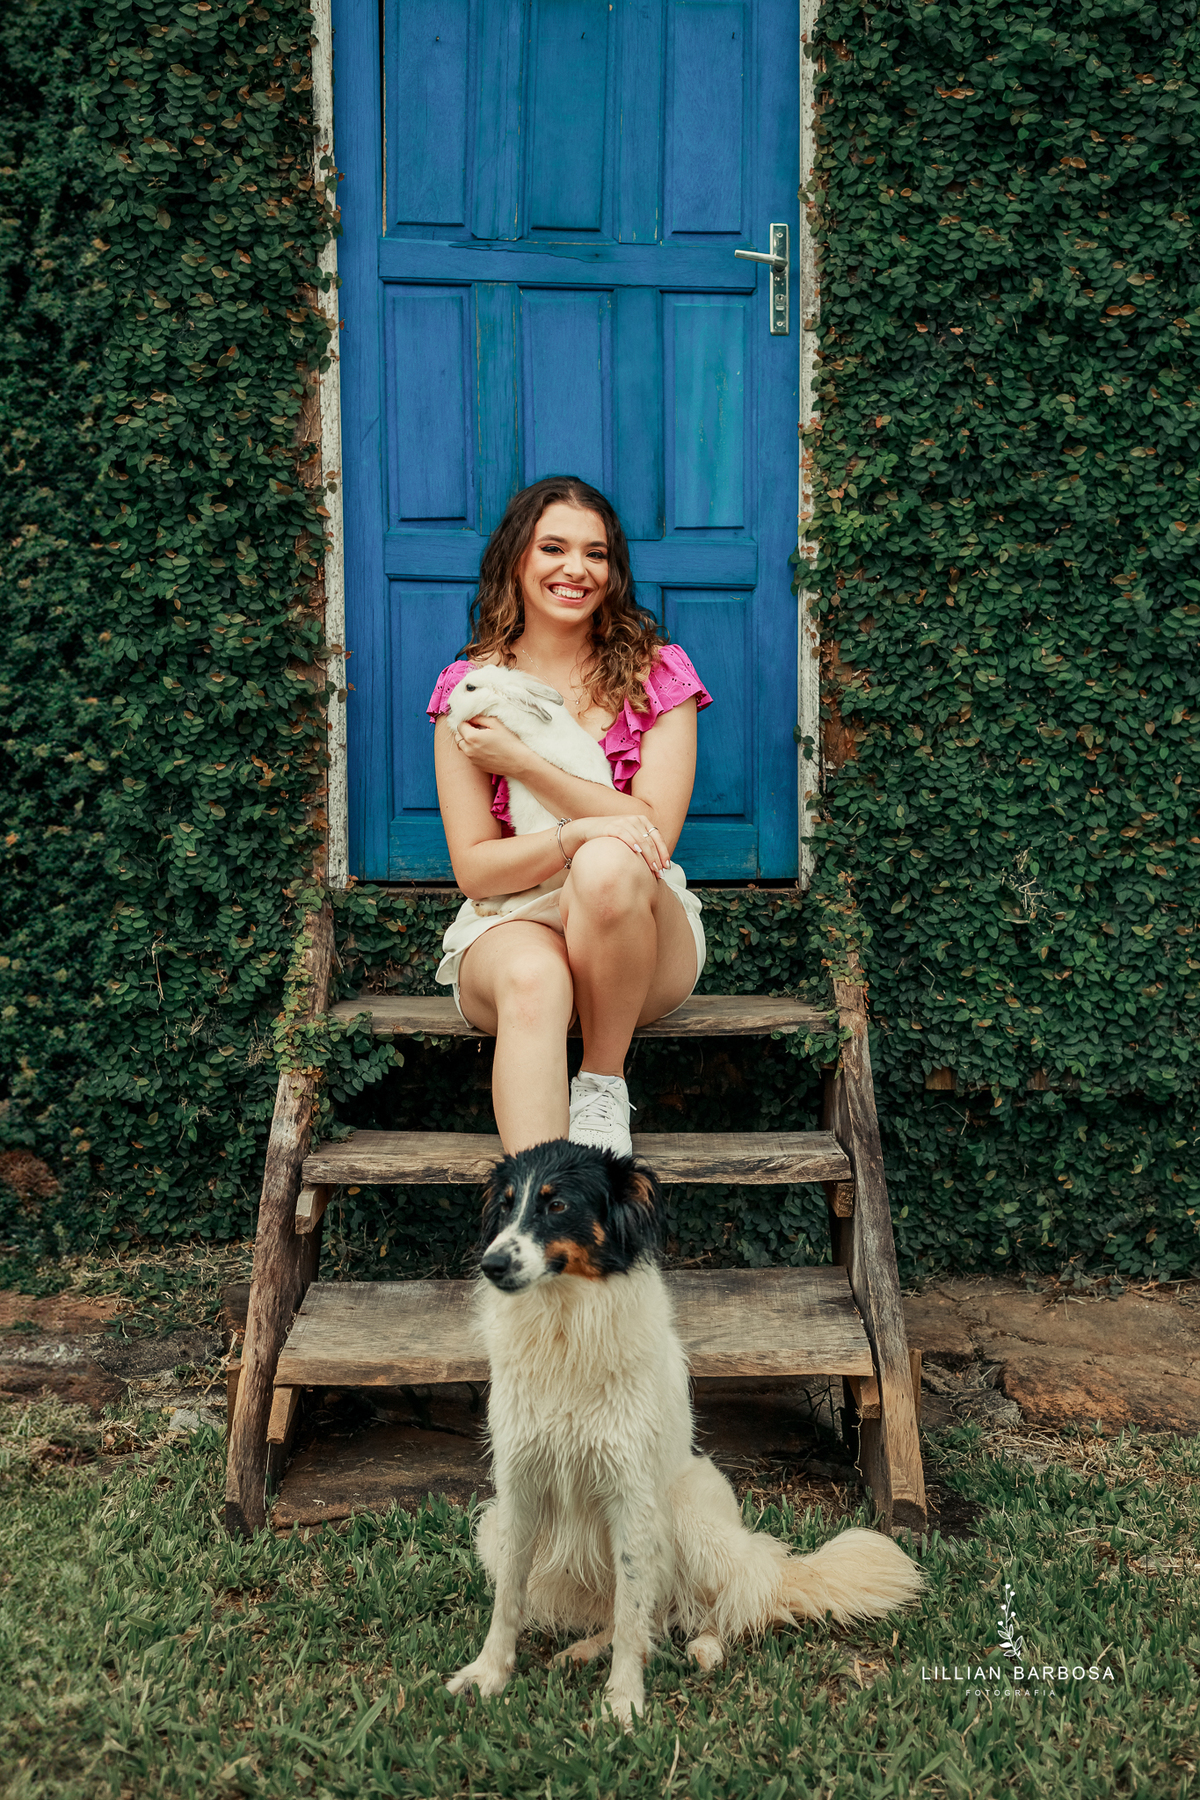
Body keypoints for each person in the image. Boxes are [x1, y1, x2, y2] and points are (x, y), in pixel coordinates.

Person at [427, 476, 711, 1158]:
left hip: (636, 931)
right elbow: (476, 870)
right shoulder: (472, 689)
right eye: (553, 547)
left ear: (614, 571)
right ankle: (542, 1210)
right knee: (534, 976)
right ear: (516, 559)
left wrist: (523, 764)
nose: (576, 570)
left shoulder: (656, 676)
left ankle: (602, 1083)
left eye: (597, 553)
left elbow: (652, 836)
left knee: (609, 861)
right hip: (513, 921)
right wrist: (573, 833)